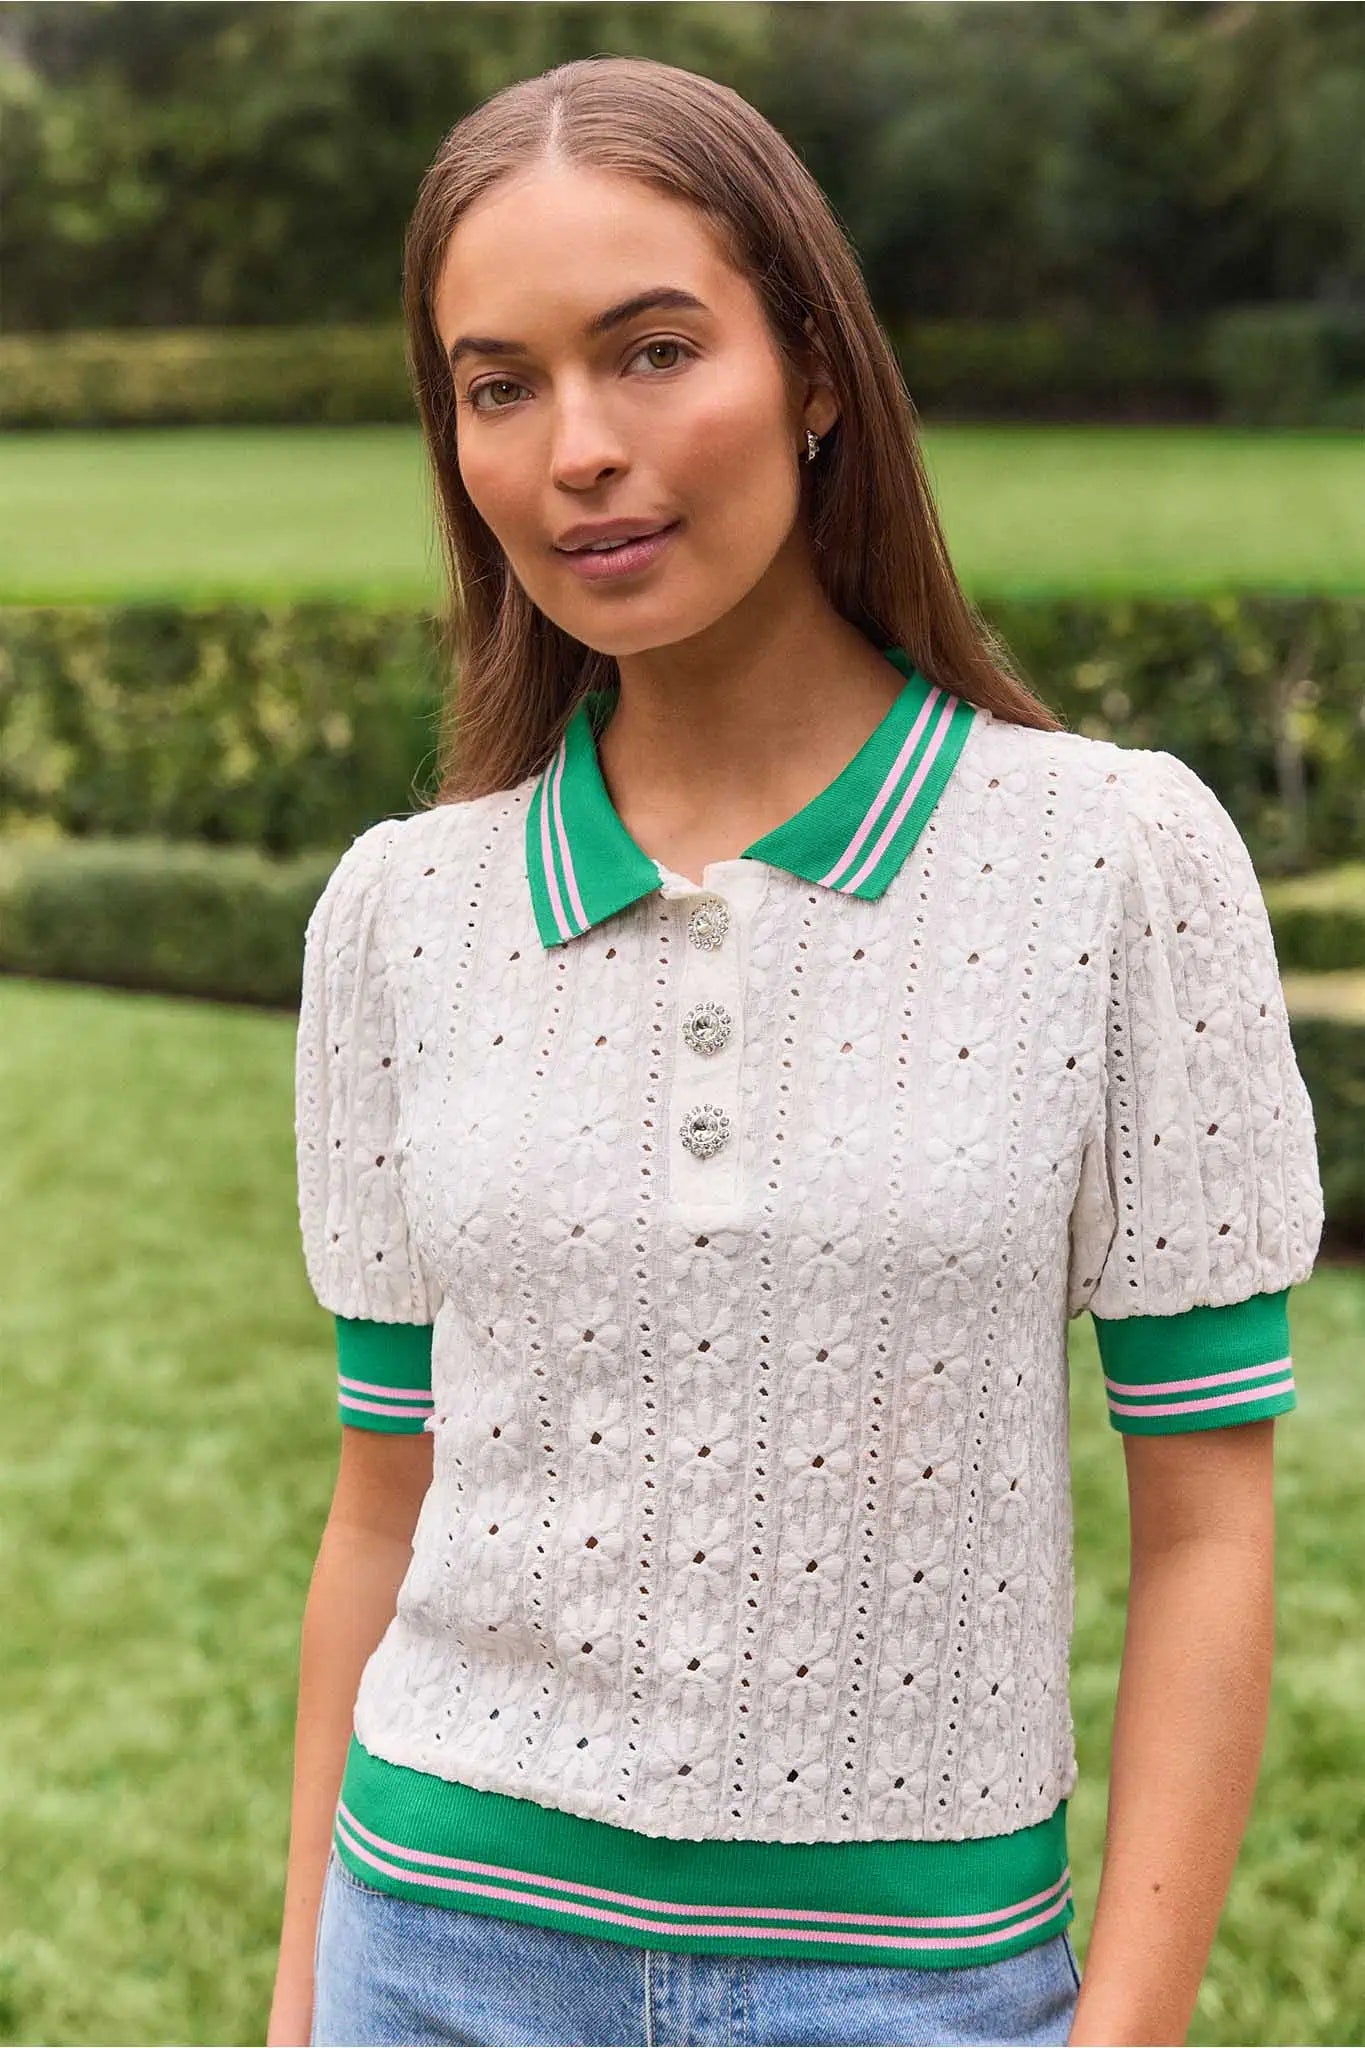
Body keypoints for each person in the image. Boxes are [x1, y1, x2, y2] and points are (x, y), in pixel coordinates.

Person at [267, 53, 1324, 2048]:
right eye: (498, 383)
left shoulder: (1108, 862)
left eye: (651, 349)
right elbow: (375, 1508)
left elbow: (1206, 1524)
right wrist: (298, 2004)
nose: (577, 445)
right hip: (432, 1956)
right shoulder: (403, 912)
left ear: (817, 373)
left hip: (914, 1988)